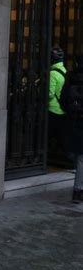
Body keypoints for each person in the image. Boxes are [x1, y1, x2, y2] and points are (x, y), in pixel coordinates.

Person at [63, 56, 83, 203]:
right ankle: (77, 190)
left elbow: (63, 99)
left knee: (77, 156)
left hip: (74, 121)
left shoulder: (71, 78)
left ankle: (78, 188)